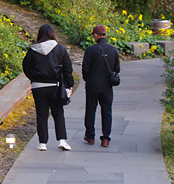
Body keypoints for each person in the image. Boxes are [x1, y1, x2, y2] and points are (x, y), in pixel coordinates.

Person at [22, 23, 74, 151]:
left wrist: (34, 78)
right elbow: (68, 69)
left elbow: (26, 67)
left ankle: (42, 143)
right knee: (58, 113)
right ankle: (62, 140)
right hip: (55, 86)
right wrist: (69, 85)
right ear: (52, 34)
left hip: (38, 86)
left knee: (41, 114)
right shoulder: (60, 49)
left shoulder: (32, 50)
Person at [81, 24, 120, 147]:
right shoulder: (113, 50)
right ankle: (106, 138)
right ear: (106, 35)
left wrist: (87, 79)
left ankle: (90, 136)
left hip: (92, 85)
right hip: (107, 86)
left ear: (96, 35)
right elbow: (117, 68)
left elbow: (85, 69)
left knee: (90, 111)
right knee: (107, 111)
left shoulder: (90, 50)